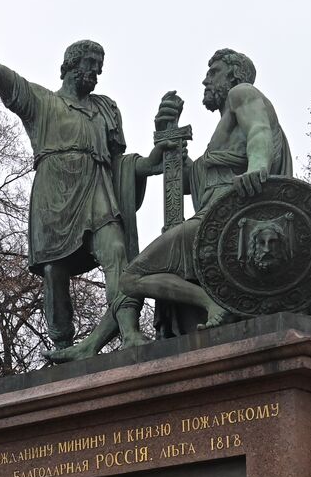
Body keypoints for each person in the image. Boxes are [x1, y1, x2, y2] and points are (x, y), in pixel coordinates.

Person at [0, 0, 174, 357]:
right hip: (54, 196)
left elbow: (121, 166)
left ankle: (131, 331)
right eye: (90, 67)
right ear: (70, 65)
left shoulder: (105, 109)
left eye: (100, 69)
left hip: (97, 190)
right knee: (55, 273)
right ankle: (63, 349)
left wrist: (154, 158)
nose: (96, 75)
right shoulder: (40, 102)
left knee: (116, 252)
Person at [116, 49, 295, 338]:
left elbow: (259, 132)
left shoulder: (242, 93)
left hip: (225, 218)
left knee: (131, 277)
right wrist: (167, 135)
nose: (205, 81)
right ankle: (206, 302)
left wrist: (258, 167)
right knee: (132, 278)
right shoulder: (222, 135)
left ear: (234, 74)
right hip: (212, 218)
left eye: (213, 72)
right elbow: (190, 182)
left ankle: (209, 303)